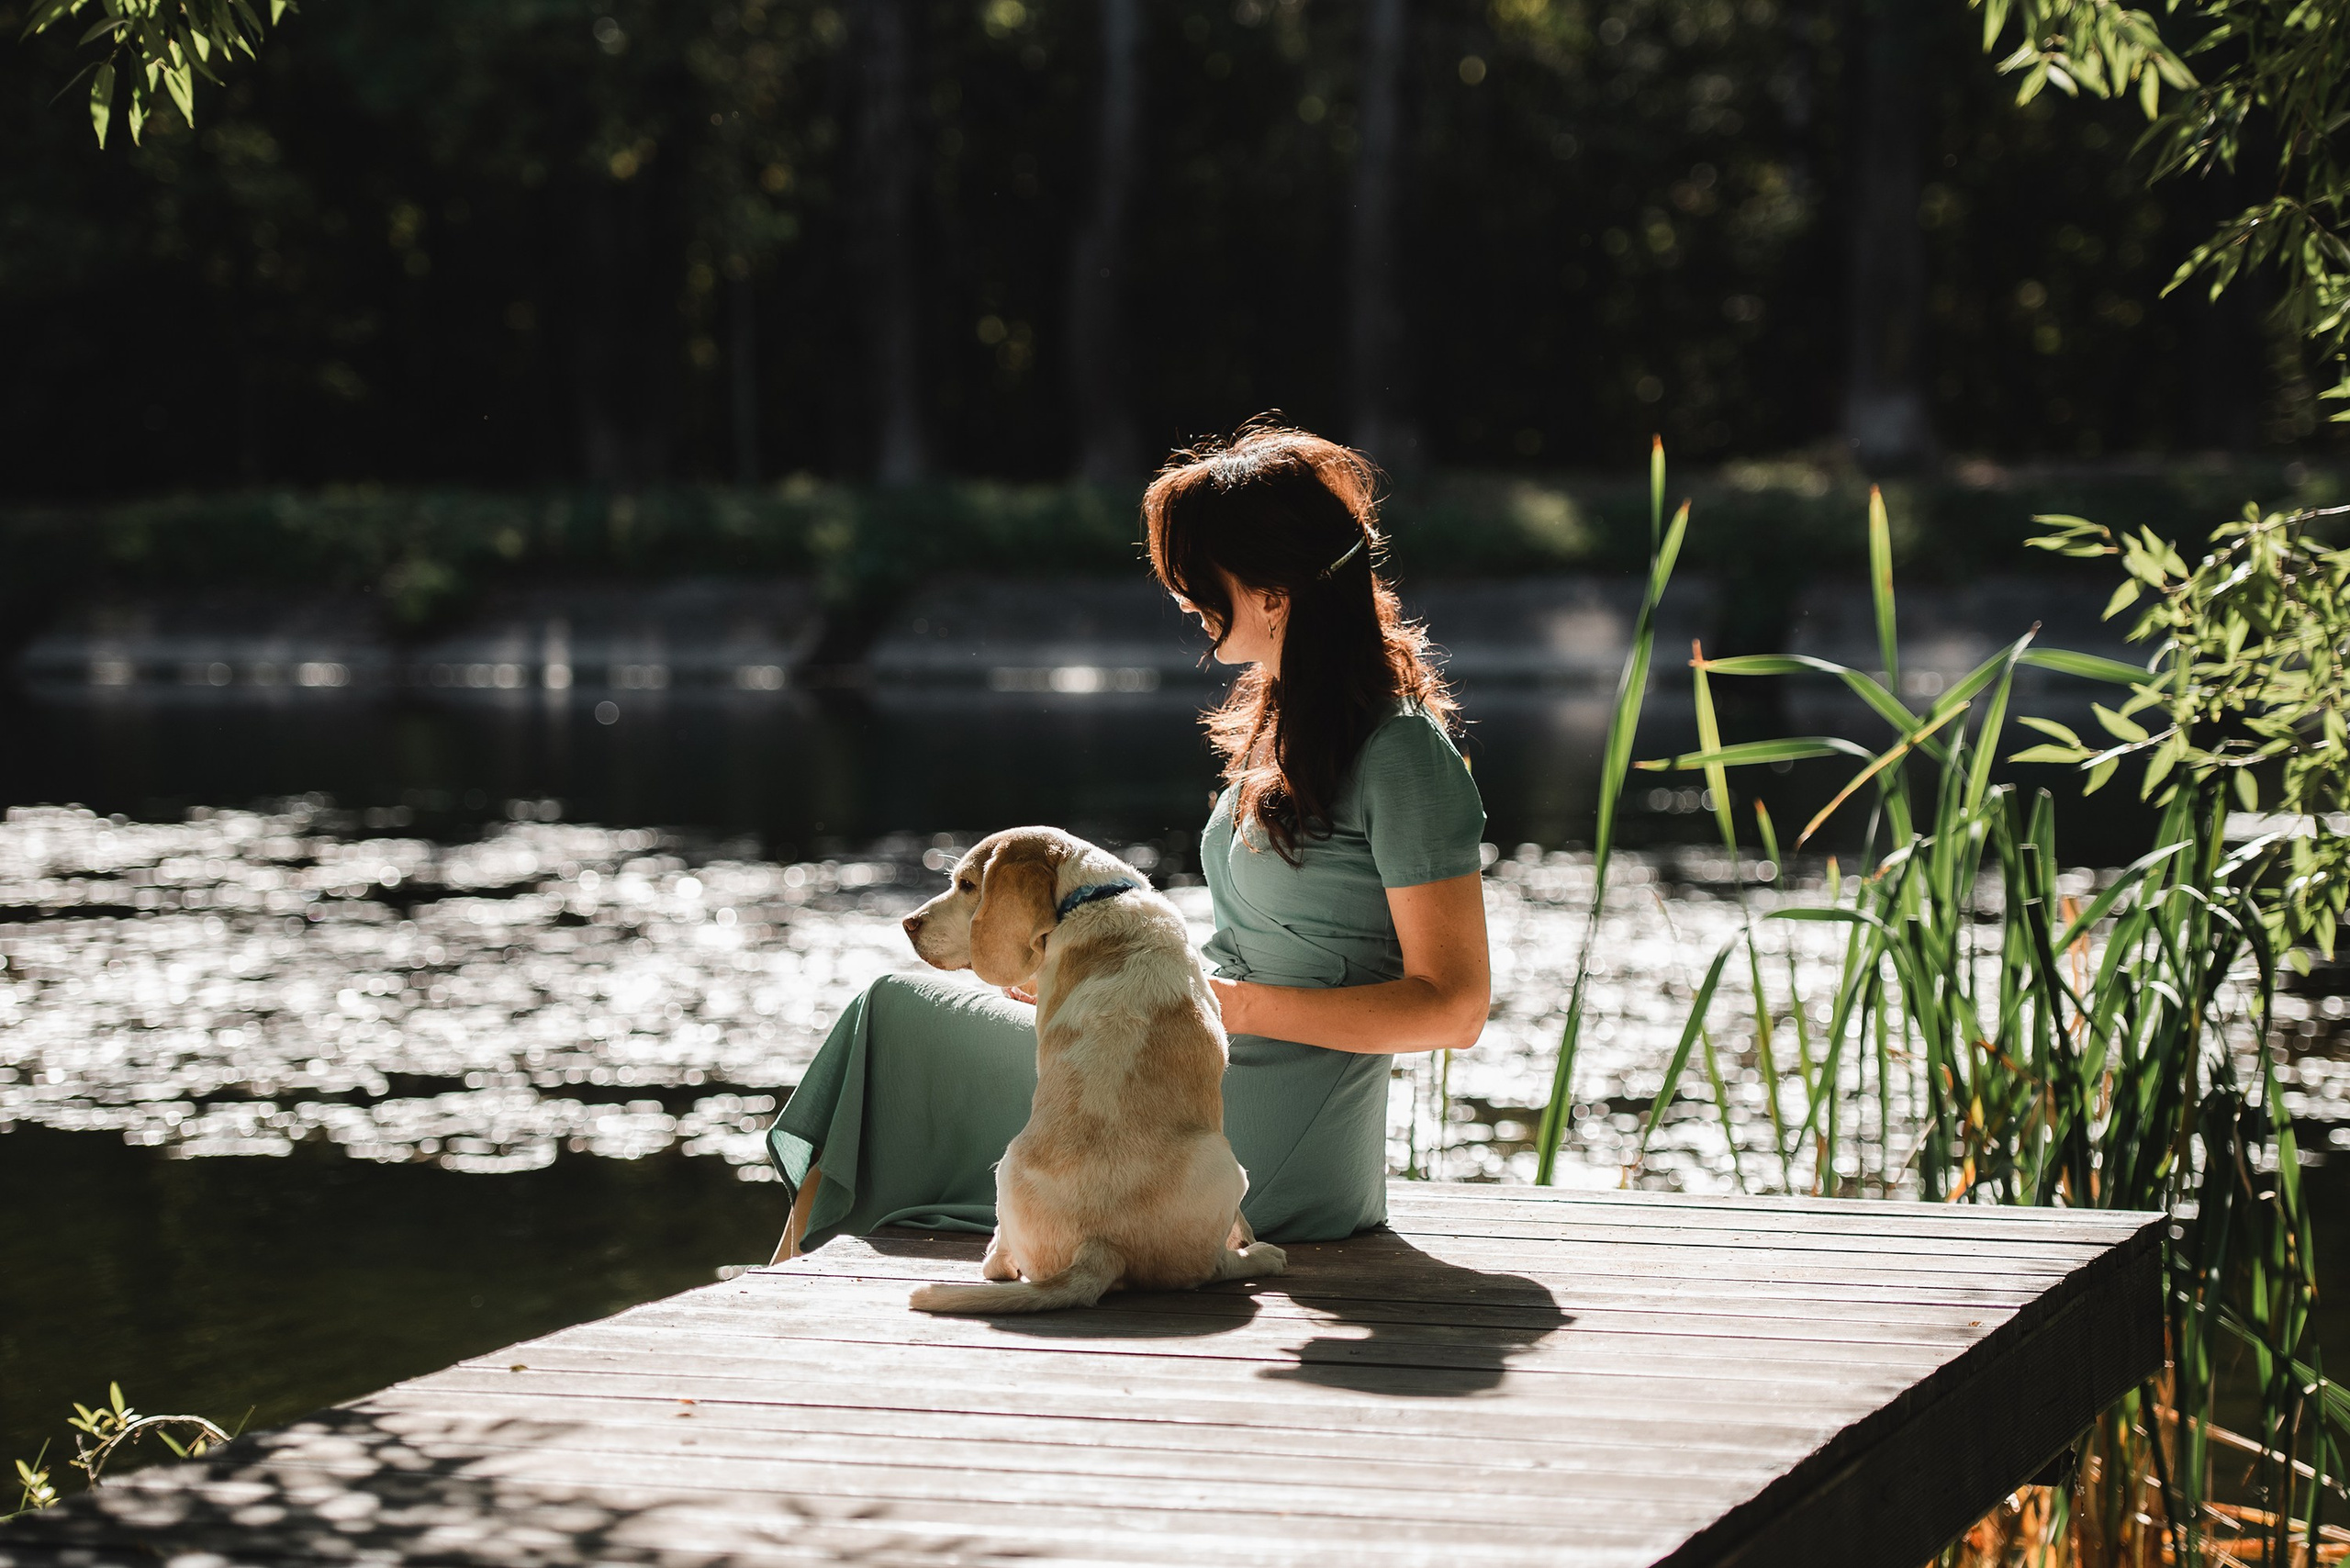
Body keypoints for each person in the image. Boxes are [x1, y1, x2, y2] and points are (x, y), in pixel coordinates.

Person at [766, 423, 1491, 1259]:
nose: (1181, 598)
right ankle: (785, 1274)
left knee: (895, 1025)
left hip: (1268, 1128)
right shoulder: (1286, 724)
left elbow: (1455, 1007)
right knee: (890, 1021)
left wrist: (1223, 1003)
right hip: (1195, 1058)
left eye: (1195, 577)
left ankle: (779, 1286)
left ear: (1272, 590)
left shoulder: (1402, 754)